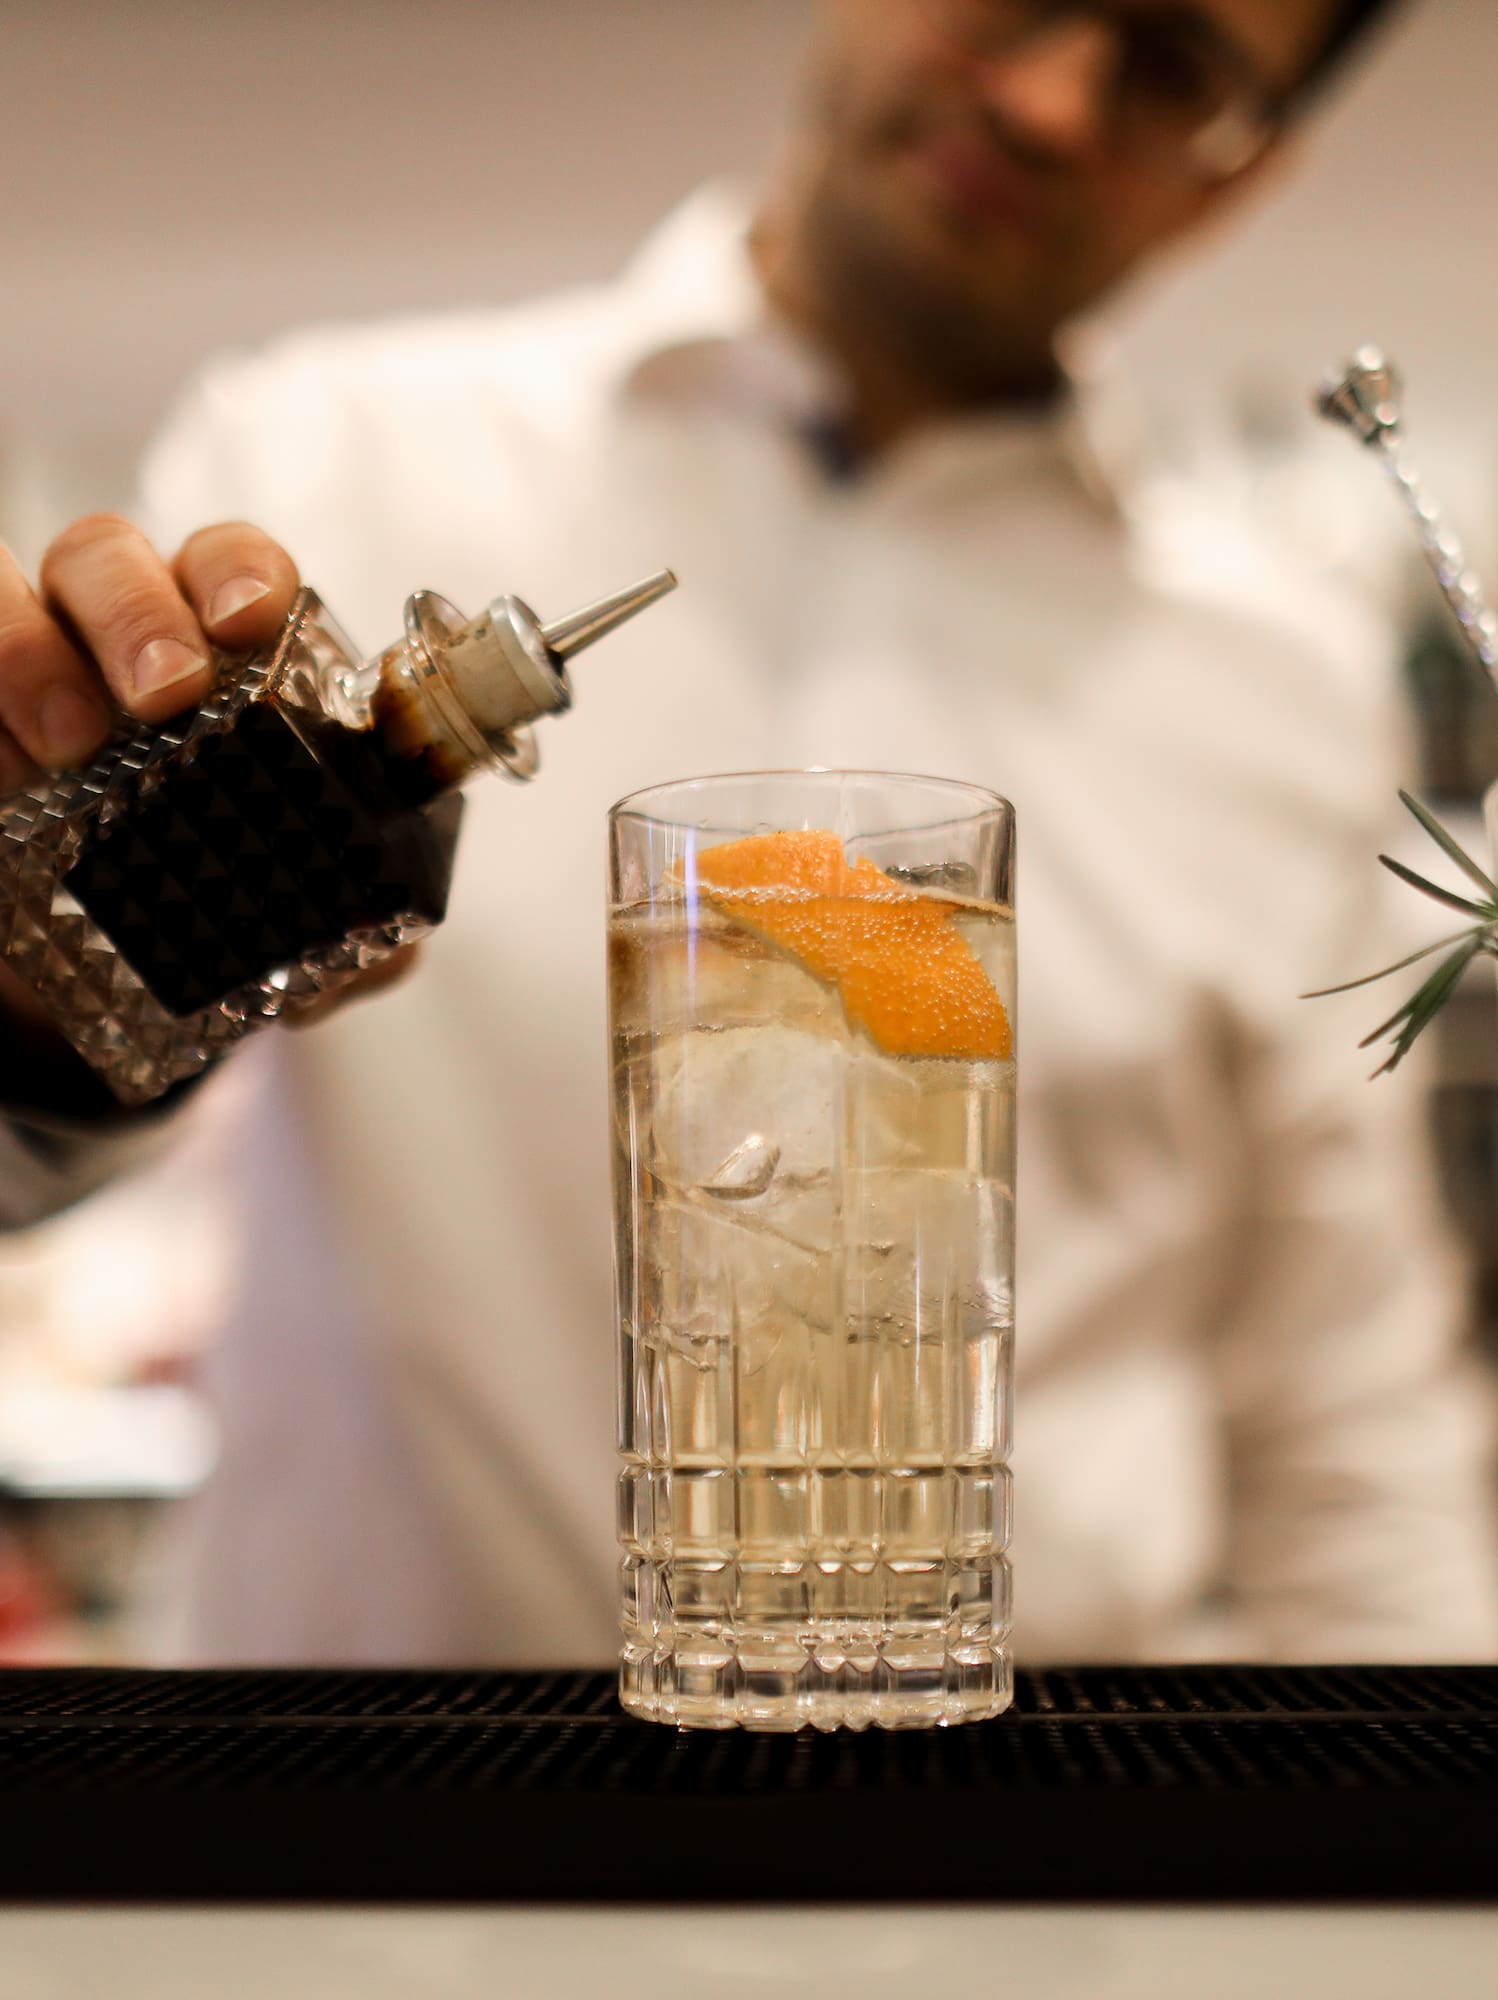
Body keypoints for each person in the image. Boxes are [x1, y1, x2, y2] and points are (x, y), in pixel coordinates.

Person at [0, 0, 1494, 1665]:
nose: (1052, 102)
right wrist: (41, 1001)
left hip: (1030, 1847)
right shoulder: (322, 460)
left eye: (1172, 69)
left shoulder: (1276, 680)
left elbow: (1342, 1421)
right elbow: (34, 1138)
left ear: (1244, 172)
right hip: (376, 1849)